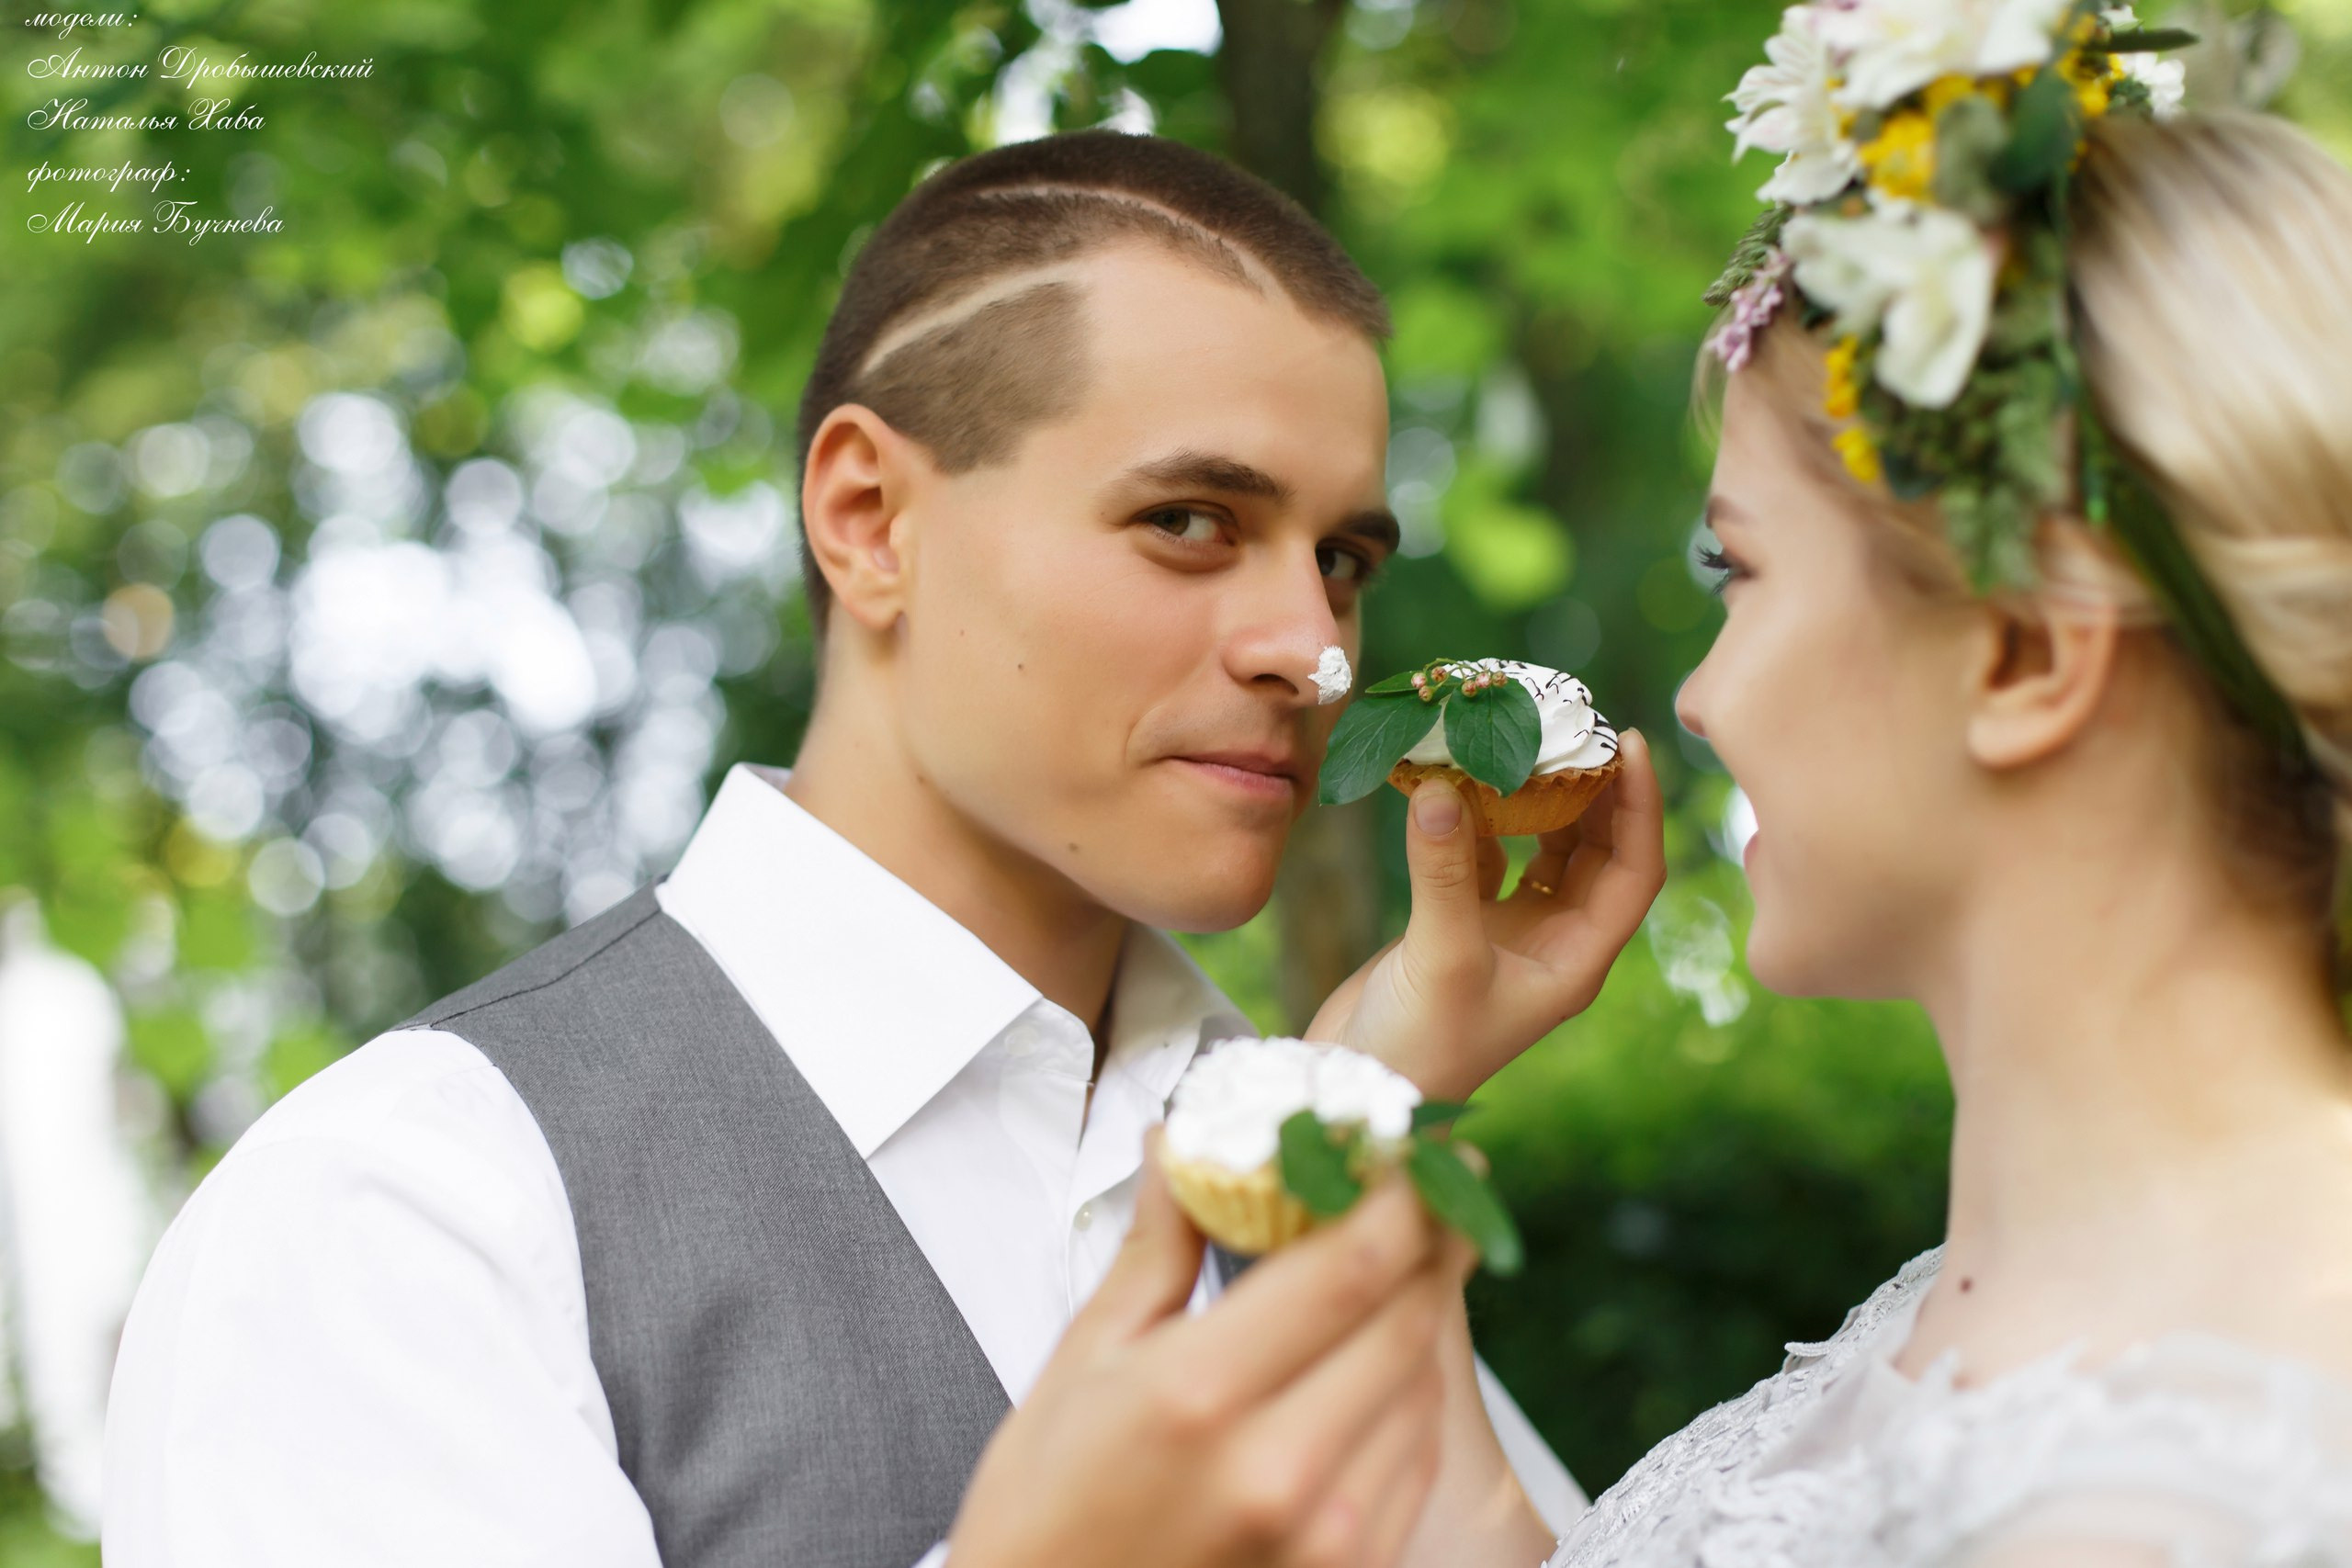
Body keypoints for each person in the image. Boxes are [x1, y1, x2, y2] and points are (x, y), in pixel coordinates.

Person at [101, 130, 1668, 1568]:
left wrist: (1362, 1121)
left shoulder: (1304, 1150)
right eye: (1190, 520)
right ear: (867, 519)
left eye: (1340, 562)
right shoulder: (408, 1206)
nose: (1311, 652)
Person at [1359, 10, 2352, 1563]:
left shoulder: (2154, 1513)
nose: (1694, 697)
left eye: (1735, 570)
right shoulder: (2001, 1301)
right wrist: (1373, 1115)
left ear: (2023, 648)